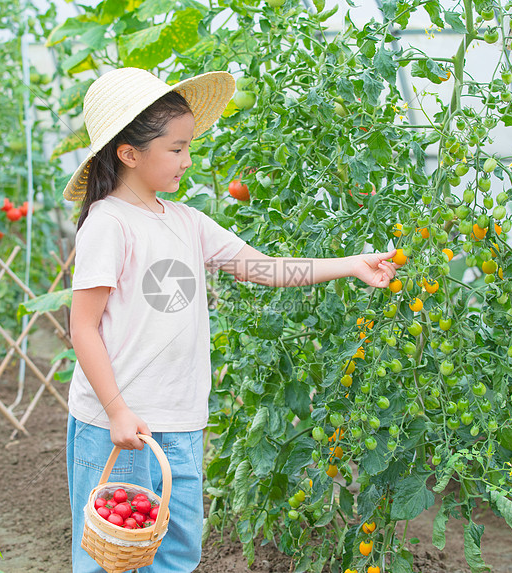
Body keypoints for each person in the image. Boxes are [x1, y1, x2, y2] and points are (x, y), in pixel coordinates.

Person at [64, 67, 400, 573]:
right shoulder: (108, 225)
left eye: (188, 146)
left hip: (180, 420)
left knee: (175, 553)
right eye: (175, 149)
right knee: (112, 557)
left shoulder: (186, 222)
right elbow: (82, 327)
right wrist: (115, 411)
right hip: (120, 425)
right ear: (129, 153)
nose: (187, 160)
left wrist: (351, 265)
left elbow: (265, 268)